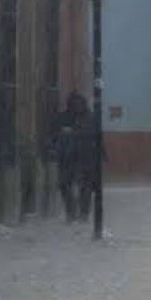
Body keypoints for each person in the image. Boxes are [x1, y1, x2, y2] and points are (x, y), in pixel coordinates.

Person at [54, 91, 98, 223]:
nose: (76, 107)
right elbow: (55, 134)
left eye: (78, 104)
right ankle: (72, 212)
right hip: (67, 158)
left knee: (85, 186)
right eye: (73, 105)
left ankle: (82, 213)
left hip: (85, 158)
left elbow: (93, 136)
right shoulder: (64, 117)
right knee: (65, 185)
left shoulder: (89, 118)